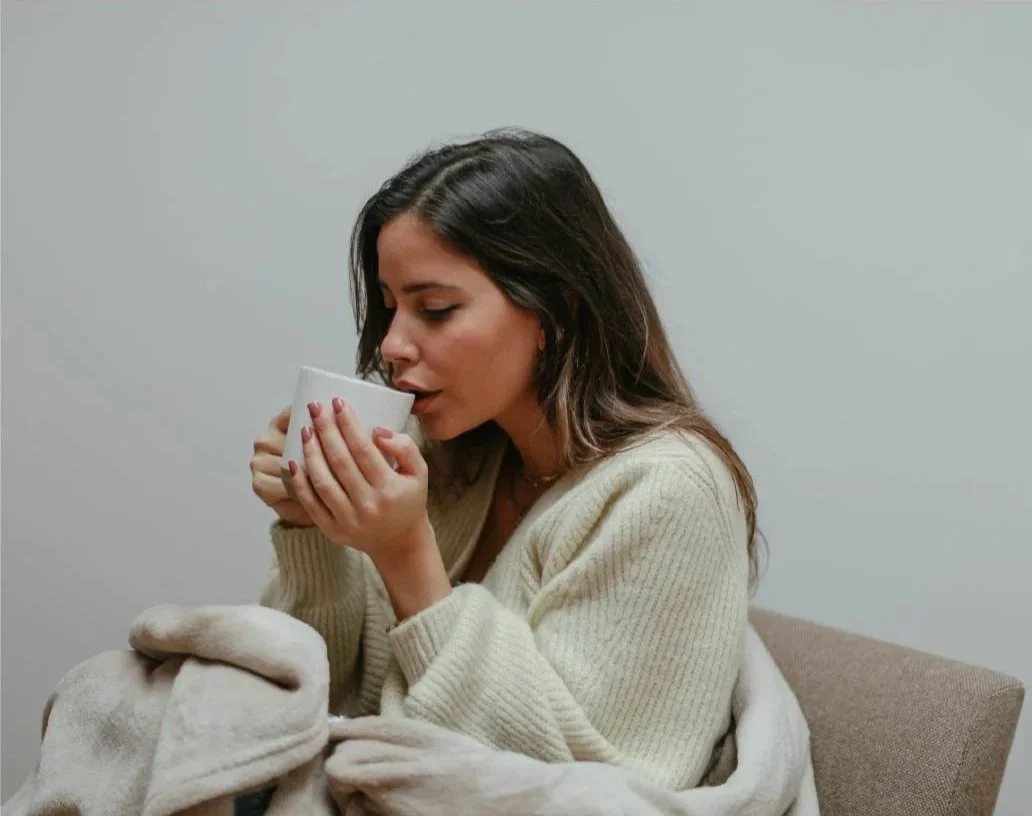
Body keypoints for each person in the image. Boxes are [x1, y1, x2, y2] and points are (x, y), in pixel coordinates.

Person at [249, 128, 760, 792]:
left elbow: (580, 787)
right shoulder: (450, 457)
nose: (394, 344)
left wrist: (408, 558)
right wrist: (313, 529)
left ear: (555, 308)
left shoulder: (671, 491)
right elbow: (316, 707)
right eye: (390, 308)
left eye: (434, 309)